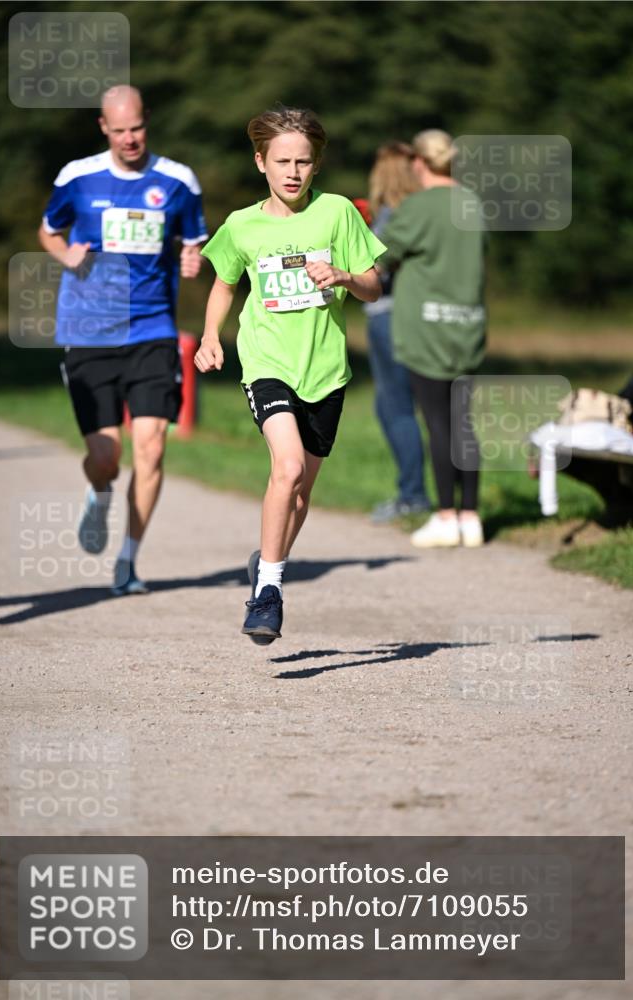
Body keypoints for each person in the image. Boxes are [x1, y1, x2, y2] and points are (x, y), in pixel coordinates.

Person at [195, 105, 385, 644]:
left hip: (325, 370)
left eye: (304, 161)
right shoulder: (242, 224)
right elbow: (225, 281)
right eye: (282, 161)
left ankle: (267, 560)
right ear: (261, 162)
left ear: (317, 164)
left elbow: (375, 285)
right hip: (267, 363)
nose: (293, 172)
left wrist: (346, 275)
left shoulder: (338, 213)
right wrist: (212, 336)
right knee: (288, 466)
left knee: (300, 493)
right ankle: (269, 592)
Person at [38, 85, 207, 594]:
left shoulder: (177, 181)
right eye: (119, 131)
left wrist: (193, 257)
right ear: (103, 128)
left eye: (137, 128)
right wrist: (66, 254)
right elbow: (49, 230)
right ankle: (99, 488)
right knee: (107, 456)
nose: (130, 138)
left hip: (153, 328)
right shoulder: (77, 177)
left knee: (151, 449)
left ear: (146, 121)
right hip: (90, 331)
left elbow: (194, 237)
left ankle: (128, 560)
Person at [379, 129, 487, 548]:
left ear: (419, 163)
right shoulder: (473, 203)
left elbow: (381, 254)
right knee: (465, 423)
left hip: (427, 329)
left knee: (438, 422)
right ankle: (471, 516)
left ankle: (445, 516)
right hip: (469, 325)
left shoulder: (417, 207)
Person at [363, 142, 430, 523]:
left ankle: (412, 494)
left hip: (388, 316)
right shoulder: (422, 213)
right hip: (417, 317)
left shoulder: (392, 216)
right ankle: (420, 492)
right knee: (407, 406)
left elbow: (376, 268)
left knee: (396, 406)